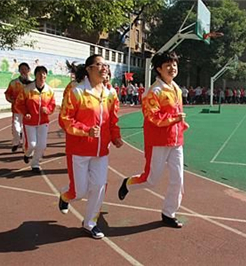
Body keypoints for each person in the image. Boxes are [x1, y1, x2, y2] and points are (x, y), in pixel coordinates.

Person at [118, 51, 189, 228]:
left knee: (178, 179)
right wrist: (175, 120)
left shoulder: (176, 88)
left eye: (174, 65)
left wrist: (181, 125)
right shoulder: (154, 91)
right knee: (151, 180)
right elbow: (153, 117)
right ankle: (128, 183)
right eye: (168, 66)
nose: (172, 68)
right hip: (158, 141)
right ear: (159, 69)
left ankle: (169, 213)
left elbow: (177, 114)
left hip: (176, 141)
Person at [58, 54, 123, 239]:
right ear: (89, 69)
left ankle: (90, 223)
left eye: (106, 65)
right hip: (79, 149)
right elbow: (65, 119)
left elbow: (113, 119)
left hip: (101, 150)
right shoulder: (76, 91)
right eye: (100, 64)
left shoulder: (110, 93)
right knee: (79, 191)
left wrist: (116, 136)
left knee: (99, 185)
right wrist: (85, 130)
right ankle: (65, 196)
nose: (104, 68)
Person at [15, 66, 56, 173]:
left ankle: (35, 164)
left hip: (43, 122)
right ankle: (27, 154)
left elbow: (52, 105)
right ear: (35, 75)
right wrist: (25, 113)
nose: (42, 76)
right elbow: (19, 104)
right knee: (32, 144)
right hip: (30, 122)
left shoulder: (50, 91)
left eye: (44, 74)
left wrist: (48, 110)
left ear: (46, 76)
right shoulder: (27, 89)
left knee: (42, 145)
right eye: (39, 74)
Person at [4, 62, 32, 152]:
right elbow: (7, 94)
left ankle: (25, 148)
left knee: (25, 131)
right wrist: (11, 101)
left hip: (28, 111)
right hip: (16, 110)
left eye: (25, 69)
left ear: (29, 70)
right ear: (19, 71)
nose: (23, 71)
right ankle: (16, 142)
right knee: (16, 129)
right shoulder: (14, 83)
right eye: (22, 69)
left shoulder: (32, 83)